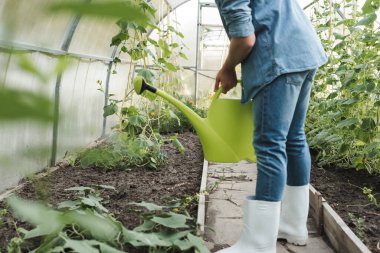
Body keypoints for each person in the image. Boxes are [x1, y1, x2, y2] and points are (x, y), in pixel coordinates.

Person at [213, 0, 328, 252]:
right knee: (293, 138)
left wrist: (228, 67)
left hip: (278, 56)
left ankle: (258, 243)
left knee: (270, 144)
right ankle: (292, 225)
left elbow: (245, 38)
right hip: (303, 50)